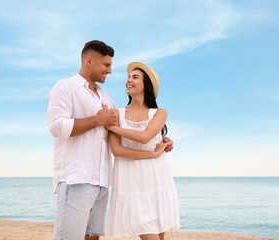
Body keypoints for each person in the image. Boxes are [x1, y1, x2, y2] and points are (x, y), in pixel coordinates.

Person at [47, 41, 174, 240]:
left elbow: (128, 135)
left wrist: (161, 140)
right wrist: (99, 120)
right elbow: (56, 127)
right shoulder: (66, 87)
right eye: (106, 65)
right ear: (90, 61)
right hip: (76, 179)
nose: (110, 70)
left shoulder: (107, 101)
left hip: (102, 182)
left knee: (93, 237)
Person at [104, 62, 180, 240]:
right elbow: (117, 150)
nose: (129, 80)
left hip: (157, 177)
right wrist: (152, 154)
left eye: (135, 77)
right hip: (131, 181)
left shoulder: (160, 113)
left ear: (147, 85)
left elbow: (145, 137)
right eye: (129, 77)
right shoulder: (116, 114)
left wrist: (113, 129)